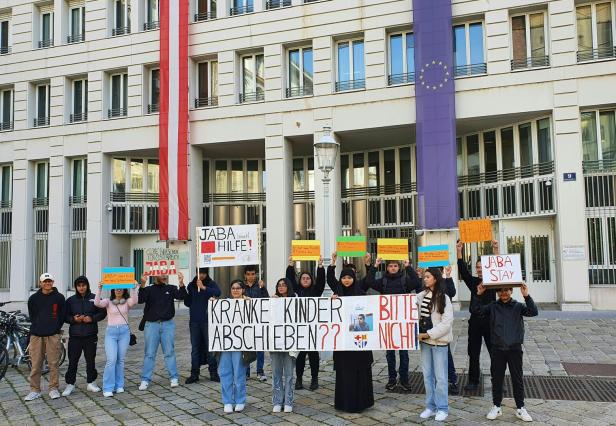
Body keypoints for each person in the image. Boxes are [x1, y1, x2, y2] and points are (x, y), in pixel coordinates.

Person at [474, 283, 538, 422]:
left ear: (511, 290)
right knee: (496, 379)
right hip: (497, 348)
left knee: (517, 378)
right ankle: (496, 406)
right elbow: (476, 311)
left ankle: (520, 407)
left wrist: (526, 296)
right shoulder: (493, 307)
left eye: (506, 290)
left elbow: (533, 312)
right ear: (497, 292)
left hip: (514, 348)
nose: (504, 293)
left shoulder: (518, 306)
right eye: (501, 291)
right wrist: (478, 294)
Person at [365, 257, 421, 391]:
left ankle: (404, 379)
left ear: (399, 267)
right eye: (391, 266)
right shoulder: (383, 281)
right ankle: (391, 379)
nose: (393, 268)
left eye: (396, 266)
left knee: (404, 354)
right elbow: (369, 282)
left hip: (403, 324)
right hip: (388, 324)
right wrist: (375, 265)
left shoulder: (404, 280)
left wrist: (409, 267)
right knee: (390, 354)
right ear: (387, 268)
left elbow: (417, 282)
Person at [328, 267, 374, 413]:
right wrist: (331, 303)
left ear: (354, 279)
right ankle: (344, 402)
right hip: (343, 344)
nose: (346, 280)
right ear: (340, 280)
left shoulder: (361, 294)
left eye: (349, 277)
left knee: (360, 372)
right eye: (343, 278)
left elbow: (368, 317)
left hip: (359, 342)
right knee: (344, 372)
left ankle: (361, 402)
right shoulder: (336, 295)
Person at [457, 240, 499, 391]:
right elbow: (462, 270)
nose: (480, 270)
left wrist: (495, 249)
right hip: (475, 322)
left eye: (482, 267)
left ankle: (498, 380)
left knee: (494, 353)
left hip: (490, 321)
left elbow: (499, 266)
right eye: (477, 267)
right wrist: (459, 251)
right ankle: (473, 380)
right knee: (473, 352)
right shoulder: (474, 281)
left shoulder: (494, 281)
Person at [138, 273, 187, 390]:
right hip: (152, 325)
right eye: (161, 274)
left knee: (169, 352)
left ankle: (174, 377)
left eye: (166, 274)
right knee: (149, 353)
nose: (164, 276)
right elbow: (140, 300)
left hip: (167, 324)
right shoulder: (149, 289)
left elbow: (182, 296)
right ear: (155, 275)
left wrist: (181, 283)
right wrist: (143, 284)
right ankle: (145, 380)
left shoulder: (171, 288)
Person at [417, 267, 454, 423]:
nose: (425, 279)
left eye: (427, 277)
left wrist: (428, 334)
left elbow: (447, 324)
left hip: (438, 342)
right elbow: (403, 303)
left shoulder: (444, 298)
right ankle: (430, 406)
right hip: (425, 343)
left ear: (436, 279)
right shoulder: (421, 296)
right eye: (424, 277)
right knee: (427, 376)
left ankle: (443, 408)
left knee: (441, 377)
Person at [62, 276, 107, 396]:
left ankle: (91, 382)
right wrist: (73, 319)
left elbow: (103, 313)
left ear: (87, 285)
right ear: (76, 287)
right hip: (75, 336)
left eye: (83, 285)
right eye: (79, 286)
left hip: (90, 335)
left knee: (90, 360)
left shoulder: (94, 298)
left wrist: (91, 318)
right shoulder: (70, 300)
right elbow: (65, 316)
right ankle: (70, 384)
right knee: (72, 361)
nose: (81, 288)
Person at [25, 273, 66, 401]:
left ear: (52, 282)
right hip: (36, 335)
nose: (47, 283)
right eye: (45, 281)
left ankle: (53, 388)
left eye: (49, 281)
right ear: (40, 283)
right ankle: (34, 390)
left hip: (53, 334)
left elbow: (62, 315)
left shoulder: (59, 297)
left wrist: (54, 327)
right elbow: (32, 316)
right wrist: (38, 325)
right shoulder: (33, 298)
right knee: (36, 364)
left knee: (53, 363)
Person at [286, 255, 325, 391]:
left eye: (308, 278)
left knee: (313, 355)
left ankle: (315, 379)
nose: (306, 280)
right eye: (303, 278)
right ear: (300, 280)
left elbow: (321, 282)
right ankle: (299, 379)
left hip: (313, 328)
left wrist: (320, 266)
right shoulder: (296, 290)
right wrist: (291, 265)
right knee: (300, 356)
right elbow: (289, 280)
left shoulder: (316, 291)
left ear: (311, 280)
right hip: (300, 328)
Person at [94, 280, 139, 397]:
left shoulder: (126, 302)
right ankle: (108, 387)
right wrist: (99, 289)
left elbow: (135, 301)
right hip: (111, 333)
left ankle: (119, 385)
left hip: (124, 332)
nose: (118, 290)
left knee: (120, 360)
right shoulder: (108, 302)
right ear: (113, 290)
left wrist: (135, 288)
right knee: (111, 359)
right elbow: (96, 303)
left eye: (121, 288)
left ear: (124, 290)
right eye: (116, 288)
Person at [184, 267, 222, 384]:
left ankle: (213, 373)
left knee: (210, 348)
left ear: (206, 274)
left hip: (208, 321)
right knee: (195, 349)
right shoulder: (191, 285)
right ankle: (194, 374)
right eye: (199, 273)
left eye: (204, 274)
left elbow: (218, 293)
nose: (201, 276)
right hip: (194, 321)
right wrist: (184, 289)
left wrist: (204, 288)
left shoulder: (211, 283)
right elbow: (188, 302)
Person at [218, 279, 249, 413]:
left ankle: (240, 400)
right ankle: (227, 401)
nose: (235, 290)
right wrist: (214, 304)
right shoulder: (224, 304)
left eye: (238, 288)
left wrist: (250, 303)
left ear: (243, 290)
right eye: (233, 288)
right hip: (226, 343)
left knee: (239, 373)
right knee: (225, 373)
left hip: (240, 344)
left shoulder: (248, 303)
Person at [270, 278, 297, 413]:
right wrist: (271, 303)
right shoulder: (273, 300)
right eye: (278, 285)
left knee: (289, 373)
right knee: (276, 372)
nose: (281, 287)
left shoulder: (295, 299)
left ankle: (288, 401)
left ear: (288, 286)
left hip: (290, 341)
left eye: (284, 285)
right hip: (275, 341)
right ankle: (277, 400)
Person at [243, 265, 269, 381]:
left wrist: (263, 288)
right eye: (248, 274)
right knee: (247, 347)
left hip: (258, 320)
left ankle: (260, 371)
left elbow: (267, 300)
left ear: (256, 274)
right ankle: (246, 372)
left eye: (253, 274)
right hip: (245, 321)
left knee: (259, 347)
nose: (250, 276)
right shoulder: (241, 287)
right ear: (245, 275)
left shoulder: (260, 286)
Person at [442, 266, 459, 395]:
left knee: (446, 352)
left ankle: (452, 379)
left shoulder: (444, 283)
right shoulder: (427, 282)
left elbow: (452, 292)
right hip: (430, 326)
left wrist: (448, 276)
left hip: (442, 326)